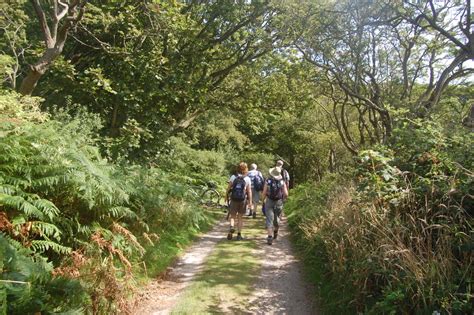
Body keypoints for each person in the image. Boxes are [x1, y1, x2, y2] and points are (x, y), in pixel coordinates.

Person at [225, 162, 253, 241]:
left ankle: (231, 228)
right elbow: (249, 191)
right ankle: (239, 235)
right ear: (246, 169)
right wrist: (250, 202)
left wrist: (225, 196)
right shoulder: (247, 179)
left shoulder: (233, 177)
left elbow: (229, 187)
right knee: (240, 217)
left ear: (237, 168)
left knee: (233, 216)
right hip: (242, 200)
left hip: (234, 199)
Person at [261, 166, 288, 245]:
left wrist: (263, 201)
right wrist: (283, 199)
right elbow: (286, 193)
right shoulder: (282, 181)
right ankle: (275, 231)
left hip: (269, 201)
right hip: (279, 202)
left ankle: (269, 237)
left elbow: (264, 192)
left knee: (269, 219)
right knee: (277, 219)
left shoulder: (268, 181)